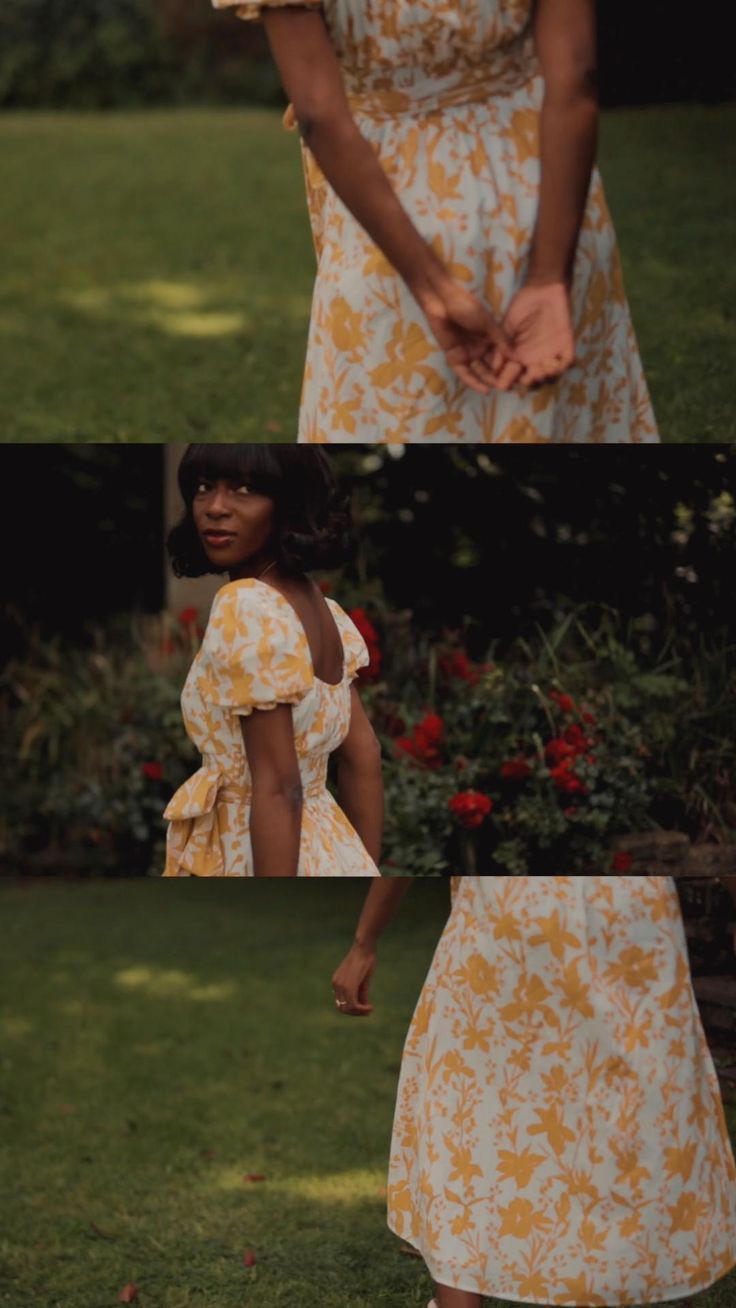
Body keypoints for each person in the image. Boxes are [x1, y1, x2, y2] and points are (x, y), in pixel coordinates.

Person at [212, 0, 659, 445]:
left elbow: (321, 115)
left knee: (398, 418)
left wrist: (435, 290)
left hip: (390, 210)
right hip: (544, 185)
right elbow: (575, 79)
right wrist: (548, 278)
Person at [331, 876, 736, 1308]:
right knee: (646, 1103)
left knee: (470, 1110)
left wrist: (364, 941)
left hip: (512, 917)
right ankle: (654, 1276)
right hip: (626, 919)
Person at [162, 443, 383, 877]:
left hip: (256, 850)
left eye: (245, 489)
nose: (215, 508)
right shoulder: (324, 610)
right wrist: (363, 867)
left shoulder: (247, 605)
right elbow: (364, 755)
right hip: (331, 851)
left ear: (290, 504)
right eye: (204, 487)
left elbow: (280, 788)